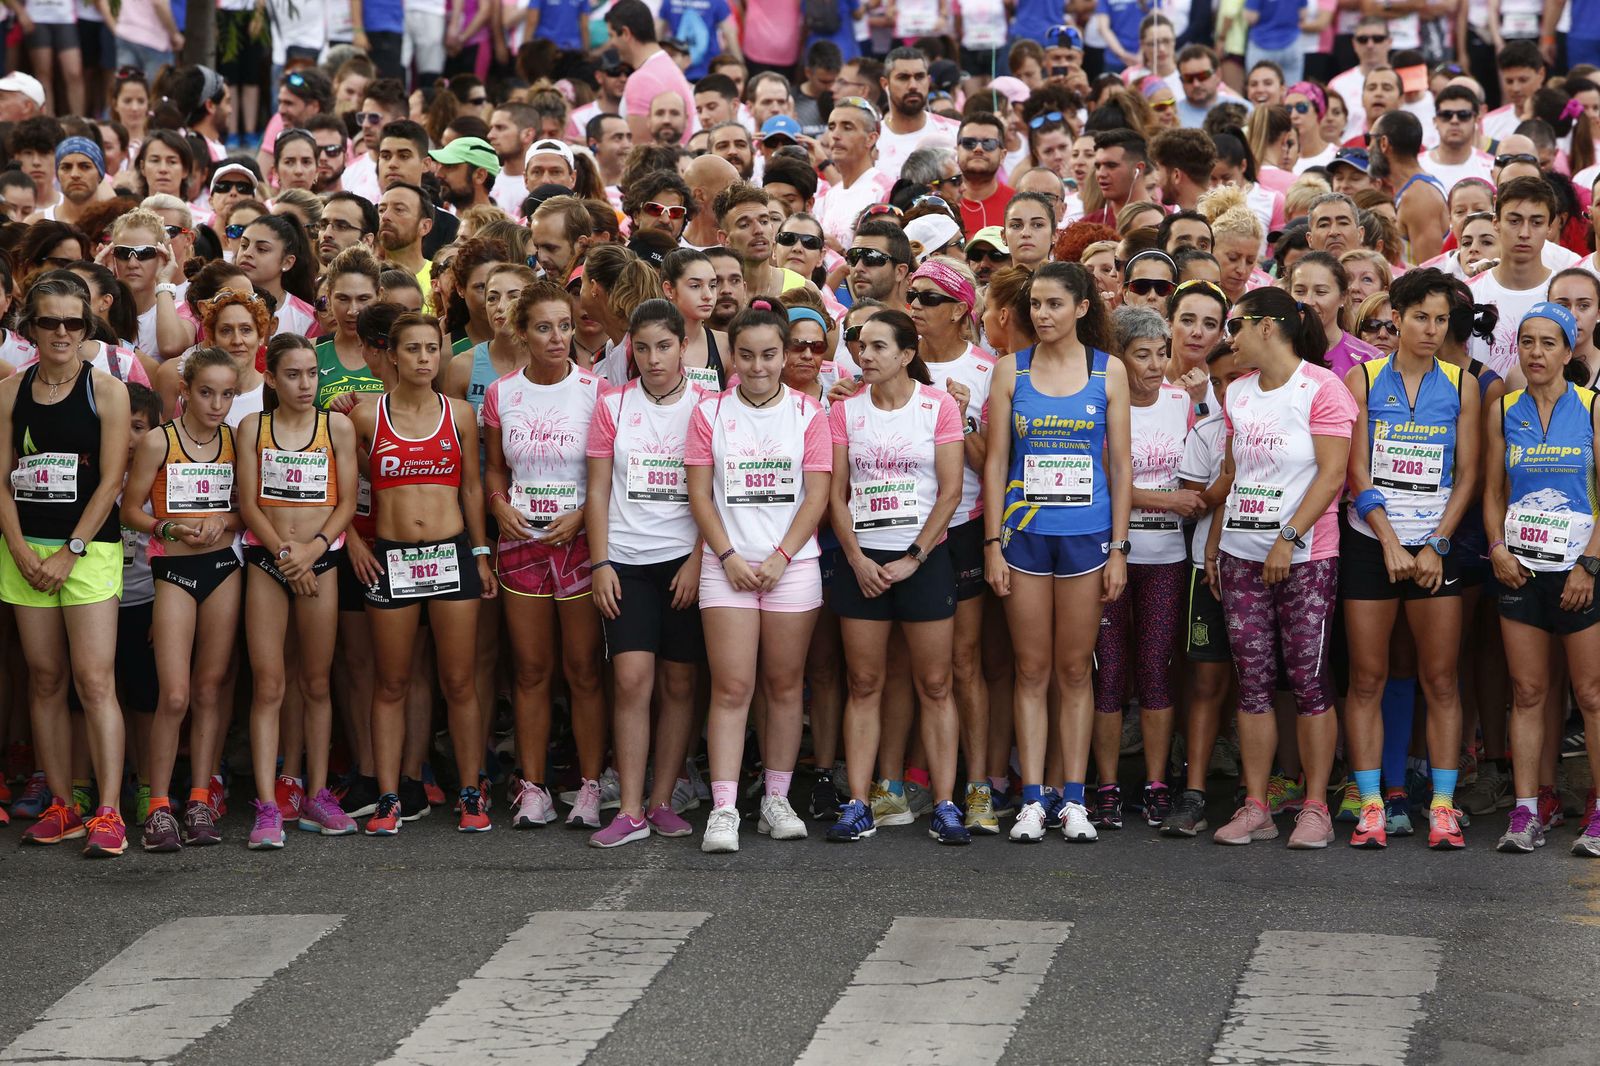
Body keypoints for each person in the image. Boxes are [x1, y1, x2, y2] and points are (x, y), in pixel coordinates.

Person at [984, 262, 1131, 844]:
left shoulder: (1108, 371)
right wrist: (991, 543)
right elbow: (996, 461)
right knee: (1031, 669)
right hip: (1024, 536)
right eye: (1035, 305)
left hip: (1087, 537)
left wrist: (1119, 548)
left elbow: (1120, 466)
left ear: (1081, 308)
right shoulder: (1009, 370)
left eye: (1054, 304)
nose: (1042, 315)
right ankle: (1031, 799)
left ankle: (1073, 799)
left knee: (1074, 670)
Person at [1206, 285, 1355, 849]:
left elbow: (1332, 475)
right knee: (1252, 683)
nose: (1230, 338)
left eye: (1235, 325)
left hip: (1305, 557)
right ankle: (1256, 806)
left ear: (1266, 326)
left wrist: (1287, 539)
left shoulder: (1322, 387)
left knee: (1309, 680)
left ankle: (1315, 806)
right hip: (1241, 554)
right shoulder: (1238, 392)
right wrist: (1216, 545)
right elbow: (1233, 475)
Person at [1342, 268, 1480, 851]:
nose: (1431, 329)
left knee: (1441, 679)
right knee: (1367, 677)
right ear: (1396, 317)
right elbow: (1356, 469)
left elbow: (1467, 475)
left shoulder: (1463, 383)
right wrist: (1390, 542)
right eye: (1421, 317)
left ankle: (1443, 807)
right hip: (1372, 543)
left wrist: (1436, 544)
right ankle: (1371, 803)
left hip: (1433, 548)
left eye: (1441, 320)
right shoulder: (1362, 377)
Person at [686, 302, 831, 852]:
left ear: (785, 354)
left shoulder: (808, 413)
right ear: (732, 356)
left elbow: (817, 495)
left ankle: (776, 799)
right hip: (726, 567)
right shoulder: (709, 413)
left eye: (769, 354)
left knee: (785, 686)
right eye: (746, 355)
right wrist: (727, 556)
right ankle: (724, 809)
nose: (758, 366)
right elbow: (700, 495)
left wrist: (781, 557)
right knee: (731, 687)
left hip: (791, 567)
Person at [824, 309, 970, 847]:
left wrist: (914, 557)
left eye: (878, 347)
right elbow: (835, 494)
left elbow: (951, 492)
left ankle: (946, 804)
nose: (864, 355)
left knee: (935, 684)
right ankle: (859, 804)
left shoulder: (938, 407)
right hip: (863, 563)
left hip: (922, 561)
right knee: (864, 684)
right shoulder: (845, 411)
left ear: (908, 354)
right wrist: (857, 559)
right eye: (861, 346)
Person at [349, 313, 498, 835]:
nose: (423, 358)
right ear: (392, 355)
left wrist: (481, 554)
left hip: (451, 553)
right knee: (391, 681)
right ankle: (389, 797)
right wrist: (352, 542)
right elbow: (342, 486)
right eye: (411, 349)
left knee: (458, 681)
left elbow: (472, 487)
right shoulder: (365, 416)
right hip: (392, 557)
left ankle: (471, 791)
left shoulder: (459, 413)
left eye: (431, 349)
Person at [1, 277, 133, 856]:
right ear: (30, 327)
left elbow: (111, 481)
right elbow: (1, 481)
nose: (61, 332)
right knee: (45, 678)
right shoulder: (9, 392)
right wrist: (21, 550)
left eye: (73, 322)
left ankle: (108, 810)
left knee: (95, 681)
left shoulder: (107, 390)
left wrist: (69, 551)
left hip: (88, 551)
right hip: (24, 551)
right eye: (49, 322)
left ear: (88, 328)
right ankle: (61, 805)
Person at [483, 280, 608, 833]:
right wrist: (497, 505)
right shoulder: (501, 394)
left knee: (583, 669)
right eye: (543, 327)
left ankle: (590, 785)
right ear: (521, 332)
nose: (557, 337)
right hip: (521, 543)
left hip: (580, 542)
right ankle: (532, 787)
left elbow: (609, 472)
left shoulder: (596, 390)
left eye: (565, 325)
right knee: (531, 670)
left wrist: (581, 516)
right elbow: (494, 468)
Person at [585, 300, 710, 840]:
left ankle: (662, 801)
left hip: (686, 562)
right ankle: (630, 809)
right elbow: (596, 491)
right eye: (642, 348)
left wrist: (699, 559)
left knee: (680, 683)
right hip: (626, 563)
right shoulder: (612, 405)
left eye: (663, 346)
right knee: (632, 680)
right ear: (630, 351)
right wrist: (600, 563)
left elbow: (717, 494)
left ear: (683, 346)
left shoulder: (709, 406)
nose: (653, 359)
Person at [120, 347, 249, 852]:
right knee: (174, 695)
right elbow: (130, 510)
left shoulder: (236, 440)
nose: (217, 404)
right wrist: (167, 527)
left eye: (227, 394)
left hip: (222, 569)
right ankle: (157, 806)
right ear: (185, 391)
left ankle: (198, 799)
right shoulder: (160, 440)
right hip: (173, 570)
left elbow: (249, 508)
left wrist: (226, 520)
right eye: (207, 392)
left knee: (210, 690)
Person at [233, 334, 359, 849]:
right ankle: (267, 804)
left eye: (312, 373)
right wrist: (287, 555)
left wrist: (314, 549)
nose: (305, 384)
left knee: (316, 682)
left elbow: (346, 502)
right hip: (271, 560)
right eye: (292, 374)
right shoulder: (253, 426)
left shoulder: (337, 426)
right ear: (270, 378)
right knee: (269, 685)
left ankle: (317, 793)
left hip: (320, 560)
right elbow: (248, 502)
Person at [1483, 302, 1600, 856]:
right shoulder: (1503, 409)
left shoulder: (1593, 407)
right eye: (1527, 341)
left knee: (1591, 695)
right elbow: (1492, 491)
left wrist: (1588, 565)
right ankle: (1527, 811)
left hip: (1580, 573)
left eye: (1548, 343)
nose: (1535, 353)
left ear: (1568, 350)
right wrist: (1496, 548)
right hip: (1521, 570)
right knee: (1527, 692)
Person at [1089, 306, 1197, 830]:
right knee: (1109, 674)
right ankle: (1107, 786)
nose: (1155, 365)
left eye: (1161, 353)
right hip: (1111, 557)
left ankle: (1156, 783)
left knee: (1156, 670)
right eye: (1142, 355)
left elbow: (1199, 471)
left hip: (1167, 558)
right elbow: (1105, 482)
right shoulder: (1103, 401)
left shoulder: (1181, 402)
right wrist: (1168, 501)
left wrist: (1190, 499)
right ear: (1119, 357)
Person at [1286, 252, 1381, 379]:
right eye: (1299, 291)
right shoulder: (1273, 352)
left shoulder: (1370, 359)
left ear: (1343, 297)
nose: (1308, 301)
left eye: (1321, 292)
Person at [661, 249, 729, 389]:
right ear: (669, 290)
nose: (708, 295)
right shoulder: (648, 343)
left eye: (712, 285)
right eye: (695, 286)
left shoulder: (725, 344)